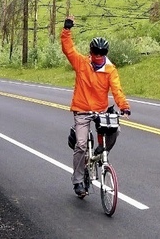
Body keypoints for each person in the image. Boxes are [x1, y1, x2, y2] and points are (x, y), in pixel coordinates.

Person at [61, 16, 131, 197]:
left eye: (101, 54)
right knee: (81, 144)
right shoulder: (82, 63)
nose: (98, 57)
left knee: (115, 130)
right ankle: (78, 181)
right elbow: (68, 50)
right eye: (95, 53)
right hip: (82, 110)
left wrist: (123, 106)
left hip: (101, 111)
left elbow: (117, 89)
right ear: (91, 52)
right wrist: (67, 29)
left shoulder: (110, 70)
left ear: (105, 53)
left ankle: (101, 152)